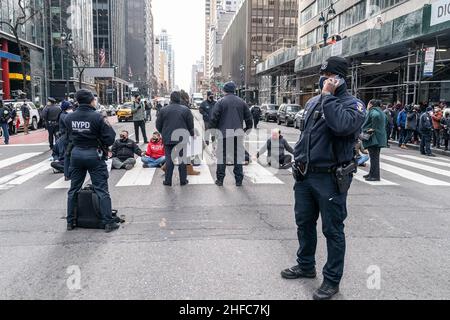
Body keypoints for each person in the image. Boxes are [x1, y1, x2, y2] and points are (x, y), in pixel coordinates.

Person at [282, 56, 365, 300]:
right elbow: (305, 135)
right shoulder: (313, 102)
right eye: (323, 75)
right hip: (306, 176)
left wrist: (328, 97)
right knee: (304, 223)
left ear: (339, 78)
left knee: (333, 230)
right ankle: (306, 265)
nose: (324, 79)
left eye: (329, 75)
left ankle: (331, 280)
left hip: (330, 178)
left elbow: (341, 126)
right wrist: (297, 160)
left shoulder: (353, 105)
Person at [65, 89, 118, 233]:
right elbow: (110, 138)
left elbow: (68, 136)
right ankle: (108, 222)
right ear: (90, 101)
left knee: (73, 189)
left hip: (76, 154)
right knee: (101, 189)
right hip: (93, 154)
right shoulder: (98, 117)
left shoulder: (69, 118)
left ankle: (70, 222)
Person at [209, 81, 253, 187]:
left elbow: (214, 117)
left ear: (224, 90)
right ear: (234, 90)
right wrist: (247, 128)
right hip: (237, 133)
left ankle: (220, 180)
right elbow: (248, 117)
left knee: (222, 157)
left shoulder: (220, 102)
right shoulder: (241, 102)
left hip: (223, 133)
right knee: (237, 156)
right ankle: (238, 180)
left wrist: (212, 130)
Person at [156, 91, 195, 186]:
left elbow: (158, 125)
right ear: (180, 99)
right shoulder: (186, 110)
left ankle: (168, 181)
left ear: (171, 99)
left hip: (168, 138)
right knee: (182, 159)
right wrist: (191, 134)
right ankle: (183, 180)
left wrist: (163, 132)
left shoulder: (163, 110)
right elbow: (191, 125)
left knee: (169, 159)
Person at [362, 99, 387, 182]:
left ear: (371, 104)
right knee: (374, 157)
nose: (367, 105)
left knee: (374, 158)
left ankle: (375, 176)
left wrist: (373, 127)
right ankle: (371, 173)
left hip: (374, 138)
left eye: (368, 103)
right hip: (378, 138)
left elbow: (375, 116)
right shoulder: (381, 111)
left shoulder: (374, 111)